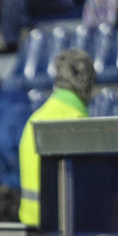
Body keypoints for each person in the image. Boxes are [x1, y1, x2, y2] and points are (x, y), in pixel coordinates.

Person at [19, 48, 93, 226]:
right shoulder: (78, 123)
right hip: (63, 226)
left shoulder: (35, 118)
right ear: (87, 81)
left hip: (31, 224)